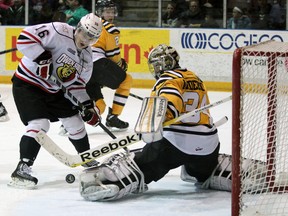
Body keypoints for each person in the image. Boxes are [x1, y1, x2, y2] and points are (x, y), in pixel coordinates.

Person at [78, 44, 222, 201]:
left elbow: (171, 105)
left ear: (165, 63)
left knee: (143, 163)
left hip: (174, 145)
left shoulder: (167, 79)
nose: (155, 69)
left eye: (156, 65)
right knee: (202, 168)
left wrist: (156, 118)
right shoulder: (195, 77)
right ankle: (204, 171)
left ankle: (113, 181)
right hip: (209, 147)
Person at [8, 13, 103, 189]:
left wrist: (88, 107)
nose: (86, 40)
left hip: (54, 90)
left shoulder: (87, 57)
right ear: (78, 28)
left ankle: (86, 157)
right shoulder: (59, 30)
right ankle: (22, 168)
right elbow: (24, 38)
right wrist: (42, 58)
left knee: (74, 121)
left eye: (92, 38)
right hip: (28, 84)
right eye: (84, 34)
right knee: (40, 123)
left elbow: (77, 85)